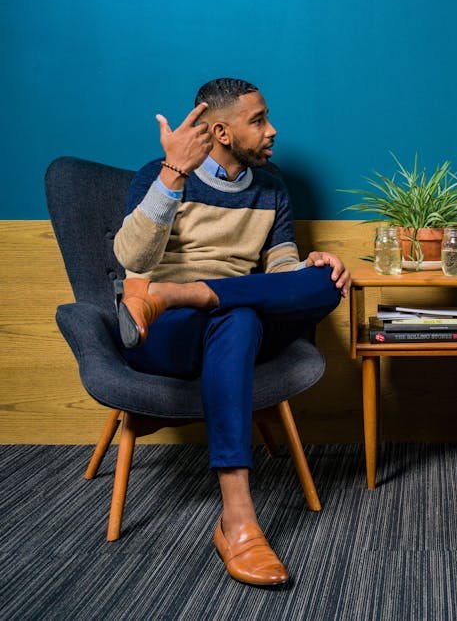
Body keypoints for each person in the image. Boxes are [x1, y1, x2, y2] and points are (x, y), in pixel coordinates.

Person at [113, 78, 351, 586]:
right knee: (239, 315)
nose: (272, 130)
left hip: (219, 319)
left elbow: (280, 262)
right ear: (221, 130)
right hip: (160, 332)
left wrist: (308, 267)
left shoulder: (272, 186)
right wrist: (173, 174)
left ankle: (182, 292)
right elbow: (131, 260)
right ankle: (238, 518)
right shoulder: (159, 176)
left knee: (326, 284)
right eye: (259, 120)